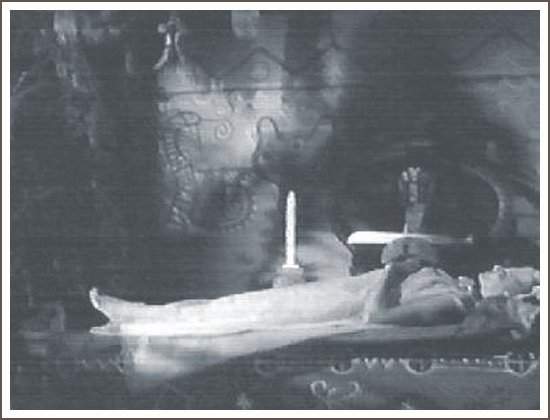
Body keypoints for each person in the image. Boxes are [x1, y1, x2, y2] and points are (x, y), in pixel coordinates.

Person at [89, 237, 474, 336]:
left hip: (345, 306)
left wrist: (395, 270)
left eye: (503, 272)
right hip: (345, 292)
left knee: (241, 311)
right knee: (238, 303)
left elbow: (379, 316)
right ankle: (142, 315)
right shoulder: (450, 285)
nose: (499, 268)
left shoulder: (451, 302)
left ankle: (138, 319)